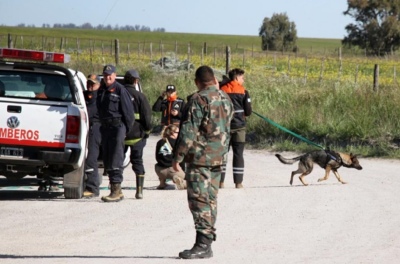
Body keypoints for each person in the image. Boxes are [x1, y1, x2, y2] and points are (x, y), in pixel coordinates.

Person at [172, 65, 234, 259]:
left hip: (200, 159)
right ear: (214, 79)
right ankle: (207, 241)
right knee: (211, 199)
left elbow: (188, 132)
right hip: (218, 157)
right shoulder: (226, 98)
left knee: (199, 200)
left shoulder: (198, 100)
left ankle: (203, 244)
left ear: (197, 82)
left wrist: (177, 158)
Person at [97, 64, 134, 202]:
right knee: (107, 157)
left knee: (115, 158)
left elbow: (128, 113)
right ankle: (114, 189)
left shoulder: (120, 90)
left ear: (114, 75)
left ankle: (116, 191)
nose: (107, 77)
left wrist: (125, 131)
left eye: (110, 75)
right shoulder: (102, 89)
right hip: (106, 127)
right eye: (105, 75)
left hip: (117, 127)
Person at [219, 68, 252, 189]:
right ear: (237, 78)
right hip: (239, 127)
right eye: (242, 78)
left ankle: (220, 182)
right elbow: (248, 112)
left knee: (222, 154)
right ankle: (238, 183)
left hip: (223, 127)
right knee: (238, 154)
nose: (243, 80)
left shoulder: (221, 90)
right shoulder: (244, 91)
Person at [123, 69, 152, 199]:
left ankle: (115, 189)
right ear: (136, 81)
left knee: (116, 162)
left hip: (121, 134)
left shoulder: (118, 94)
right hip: (136, 135)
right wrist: (147, 131)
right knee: (137, 162)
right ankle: (139, 191)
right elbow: (147, 118)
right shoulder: (140, 96)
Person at [82, 74, 102, 198]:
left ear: (99, 85)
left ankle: (92, 187)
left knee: (91, 158)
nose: (90, 86)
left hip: (96, 127)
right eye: (89, 83)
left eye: (93, 84)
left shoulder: (101, 97)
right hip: (84, 127)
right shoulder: (83, 95)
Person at [154, 124, 186, 190]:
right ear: (172, 133)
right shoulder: (178, 142)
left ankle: (162, 182)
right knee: (190, 184)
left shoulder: (159, 142)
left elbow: (157, 157)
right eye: (177, 132)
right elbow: (180, 157)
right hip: (173, 170)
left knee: (159, 164)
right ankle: (177, 178)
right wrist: (182, 169)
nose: (179, 134)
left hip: (160, 170)